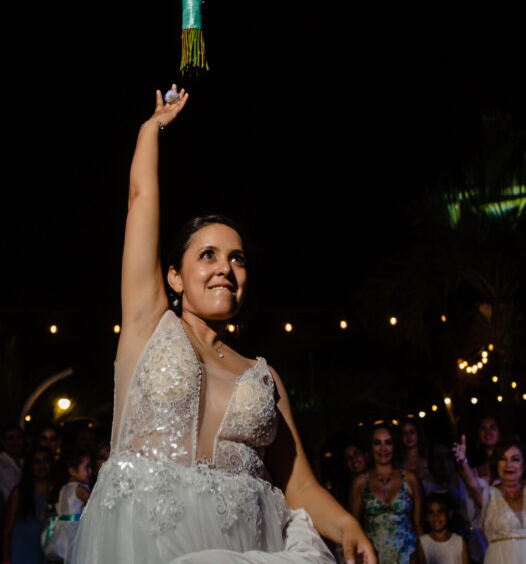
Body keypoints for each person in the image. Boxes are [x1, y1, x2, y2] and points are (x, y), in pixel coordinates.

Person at [69, 86, 375, 563]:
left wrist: (347, 524)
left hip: (248, 546)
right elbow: (141, 197)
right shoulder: (148, 324)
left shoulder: (264, 378)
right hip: (149, 546)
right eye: (207, 255)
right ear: (174, 276)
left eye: (237, 259)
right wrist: (152, 129)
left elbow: (299, 485)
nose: (225, 269)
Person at [452, 436, 526, 564]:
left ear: (524, 465)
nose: (509, 464)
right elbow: (472, 485)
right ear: (496, 464)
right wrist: (463, 461)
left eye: (515, 459)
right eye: (502, 459)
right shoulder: (488, 495)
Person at [349, 426, 423, 564]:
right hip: (373, 558)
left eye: (388, 442)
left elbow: (418, 524)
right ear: (370, 448)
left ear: (394, 446)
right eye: (377, 443)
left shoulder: (410, 478)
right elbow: (353, 525)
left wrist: (422, 556)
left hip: (408, 556)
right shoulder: (360, 482)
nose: (383, 448)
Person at [2, 447, 56, 564]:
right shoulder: (19, 492)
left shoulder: (57, 491)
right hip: (23, 551)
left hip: (47, 553)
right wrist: (6, 560)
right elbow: (7, 531)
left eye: (45, 461)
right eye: (36, 462)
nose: (41, 466)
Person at [44, 449, 93, 561]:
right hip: (74, 531)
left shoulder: (64, 488)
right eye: (87, 467)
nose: (90, 471)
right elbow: (95, 508)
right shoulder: (79, 489)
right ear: (72, 471)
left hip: (61, 531)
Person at [416, 493, 467, 564]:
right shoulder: (423, 543)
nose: (436, 516)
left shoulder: (459, 542)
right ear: (426, 516)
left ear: (449, 514)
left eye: (440, 511)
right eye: (431, 512)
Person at [0, 426, 26, 506]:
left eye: (18, 438)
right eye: (11, 438)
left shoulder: (26, 463)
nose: (15, 442)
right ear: (3, 441)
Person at [399, 421, 434, 495]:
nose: (408, 436)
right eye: (404, 433)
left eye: (412, 432)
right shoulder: (398, 463)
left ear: (418, 434)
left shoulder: (430, 460)